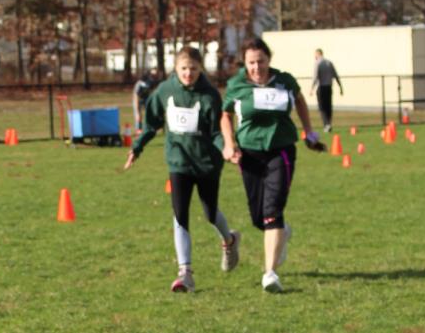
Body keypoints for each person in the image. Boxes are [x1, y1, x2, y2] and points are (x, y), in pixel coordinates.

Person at [124, 47, 240, 293]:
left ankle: (229, 240)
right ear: (175, 68)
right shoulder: (165, 90)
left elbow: (216, 131)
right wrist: (137, 147)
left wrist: (227, 149)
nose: (188, 73)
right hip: (179, 162)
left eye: (193, 69)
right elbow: (151, 124)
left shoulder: (210, 95)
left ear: (201, 68)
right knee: (180, 213)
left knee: (210, 213)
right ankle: (185, 273)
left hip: (207, 163)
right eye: (184, 68)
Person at [221, 37, 322, 294]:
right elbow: (226, 114)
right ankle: (282, 232)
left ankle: (270, 273)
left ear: (269, 59)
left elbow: (300, 100)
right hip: (250, 154)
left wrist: (308, 131)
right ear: (245, 63)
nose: (257, 67)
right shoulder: (237, 85)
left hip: (281, 150)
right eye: (251, 63)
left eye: (261, 61)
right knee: (259, 218)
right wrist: (229, 144)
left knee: (272, 211)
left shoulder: (284, 81)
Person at [309, 48, 343, 131]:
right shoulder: (329, 63)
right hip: (329, 87)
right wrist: (340, 87)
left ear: (318, 54)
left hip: (321, 87)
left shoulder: (318, 63)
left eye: (315, 54)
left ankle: (326, 124)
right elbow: (336, 75)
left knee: (322, 107)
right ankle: (329, 123)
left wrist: (312, 88)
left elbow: (315, 76)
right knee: (328, 106)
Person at [133, 68, 159, 132]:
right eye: (152, 75)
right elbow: (136, 96)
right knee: (138, 115)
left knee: (151, 112)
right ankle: (138, 129)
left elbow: (152, 91)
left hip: (146, 98)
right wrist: (137, 108)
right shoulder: (139, 84)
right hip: (138, 99)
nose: (153, 76)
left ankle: (152, 127)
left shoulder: (151, 81)